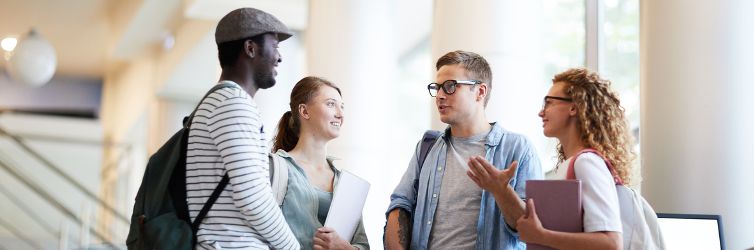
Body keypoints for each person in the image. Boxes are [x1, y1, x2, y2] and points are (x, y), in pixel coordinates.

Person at [385, 50, 543, 250]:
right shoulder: (427, 146)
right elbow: (400, 205)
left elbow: (530, 231)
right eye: (437, 87)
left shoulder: (518, 148)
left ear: (480, 91)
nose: (440, 95)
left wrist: (501, 191)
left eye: (450, 86)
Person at [469, 68, 634, 249]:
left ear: (574, 107)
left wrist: (541, 236)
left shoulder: (586, 162)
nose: (541, 112)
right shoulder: (573, 163)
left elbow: (611, 243)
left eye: (549, 103)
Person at [185, 8, 299, 249]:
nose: (279, 58)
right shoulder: (233, 104)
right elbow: (254, 199)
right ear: (250, 48)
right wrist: (292, 247)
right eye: (275, 46)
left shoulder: (218, 102)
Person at [271, 76, 370, 250]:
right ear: (304, 111)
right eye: (331, 104)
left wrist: (344, 247)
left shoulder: (347, 184)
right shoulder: (276, 168)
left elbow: (363, 245)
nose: (340, 114)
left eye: (342, 107)